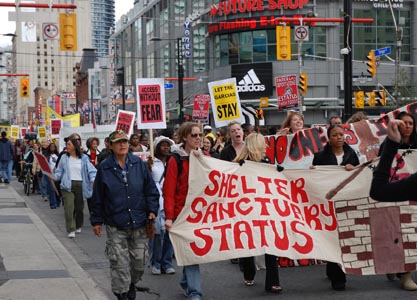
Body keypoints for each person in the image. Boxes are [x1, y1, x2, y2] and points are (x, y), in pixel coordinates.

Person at [90, 130, 159, 300]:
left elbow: (151, 191)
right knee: (119, 263)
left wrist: (152, 210)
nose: (122, 145)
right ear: (111, 146)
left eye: (125, 142)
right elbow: (97, 197)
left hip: (139, 221)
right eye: (118, 142)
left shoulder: (138, 164)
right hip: (116, 223)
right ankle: (122, 293)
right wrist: (96, 221)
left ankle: (131, 283)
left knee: (140, 263)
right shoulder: (104, 168)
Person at [312, 124, 359, 290]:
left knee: (342, 238)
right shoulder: (320, 156)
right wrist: (312, 171)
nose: (339, 137)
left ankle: (337, 273)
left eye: (341, 134)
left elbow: (358, 176)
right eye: (335, 135)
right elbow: (315, 179)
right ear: (329, 139)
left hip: (344, 201)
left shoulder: (352, 154)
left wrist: (353, 169)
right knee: (332, 237)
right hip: (327, 202)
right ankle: (336, 273)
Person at [233, 133, 282, 293]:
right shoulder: (239, 164)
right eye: (263, 144)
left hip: (265, 207)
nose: (265, 147)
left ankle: (273, 281)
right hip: (247, 208)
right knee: (249, 241)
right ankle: (248, 272)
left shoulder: (266, 162)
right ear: (256, 145)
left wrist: (279, 172)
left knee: (270, 243)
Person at [163, 122, 203, 300]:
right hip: (182, 214)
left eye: (199, 135)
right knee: (192, 253)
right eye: (194, 135)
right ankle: (195, 292)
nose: (198, 138)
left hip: (201, 213)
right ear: (185, 137)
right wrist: (169, 217)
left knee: (193, 252)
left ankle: (187, 282)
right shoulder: (176, 160)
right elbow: (169, 190)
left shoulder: (205, 157)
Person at [377, 112, 417, 290]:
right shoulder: (388, 145)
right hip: (395, 194)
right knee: (397, 233)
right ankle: (403, 272)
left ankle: (405, 272)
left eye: (411, 123)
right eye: (404, 123)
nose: (408, 126)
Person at [55, 136, 96, 238]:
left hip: (81, 185)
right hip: (67, 185)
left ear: (74, 146)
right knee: (69, 208)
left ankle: (78, 225)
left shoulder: (84, 158)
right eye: (66, 144)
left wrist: (93, 179)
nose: (67, 146)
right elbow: (59, 172)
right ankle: (70, 229)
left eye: (69, 144)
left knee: (79, 208)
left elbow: (92, 170)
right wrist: (52, 176)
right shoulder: (64, 158)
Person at [147, 136, 176, 275]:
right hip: (156, 203)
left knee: (170, 233)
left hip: (170, 202)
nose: (166, 147)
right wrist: (148, 166)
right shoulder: (151, 162)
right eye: (163, 145)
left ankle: (167, 262)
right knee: (158, 234)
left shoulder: (172, 162)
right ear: (157, 147)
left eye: (167, 145)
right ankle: (156, 262)